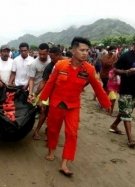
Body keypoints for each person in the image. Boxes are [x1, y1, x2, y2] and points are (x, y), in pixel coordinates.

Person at [40, 37, 111, 176]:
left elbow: (98, 87)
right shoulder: (60, 65)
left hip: (73, 106)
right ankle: (51, 150)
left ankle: (64, 163)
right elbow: (50, 83)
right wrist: (43, 99)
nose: (85, 53)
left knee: (72, 133)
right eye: (82, 50)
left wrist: (106, 103)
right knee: (53, 130)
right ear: (73, 50)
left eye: (87, 50)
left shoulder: (89, 69)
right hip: (56, 103)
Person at [109, 35, 135, 148]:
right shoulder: (126, 56)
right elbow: (115, 69)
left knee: (126, 110)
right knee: (127, 112)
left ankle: (114, 126)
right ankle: (130, 139)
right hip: (126, 89)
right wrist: (127, 72)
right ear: (134, 45)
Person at [31, 47, 66, 140]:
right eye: (50, 57)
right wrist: (36, 94)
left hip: (63, 95)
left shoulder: (69, 63)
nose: (51, 59)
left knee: (58, 114)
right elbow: (44, 82)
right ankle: (37, 130)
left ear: (59, 55)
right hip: (50, 92)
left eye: (53, 57)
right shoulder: (50, 67)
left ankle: (50, 131)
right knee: (44, 111)